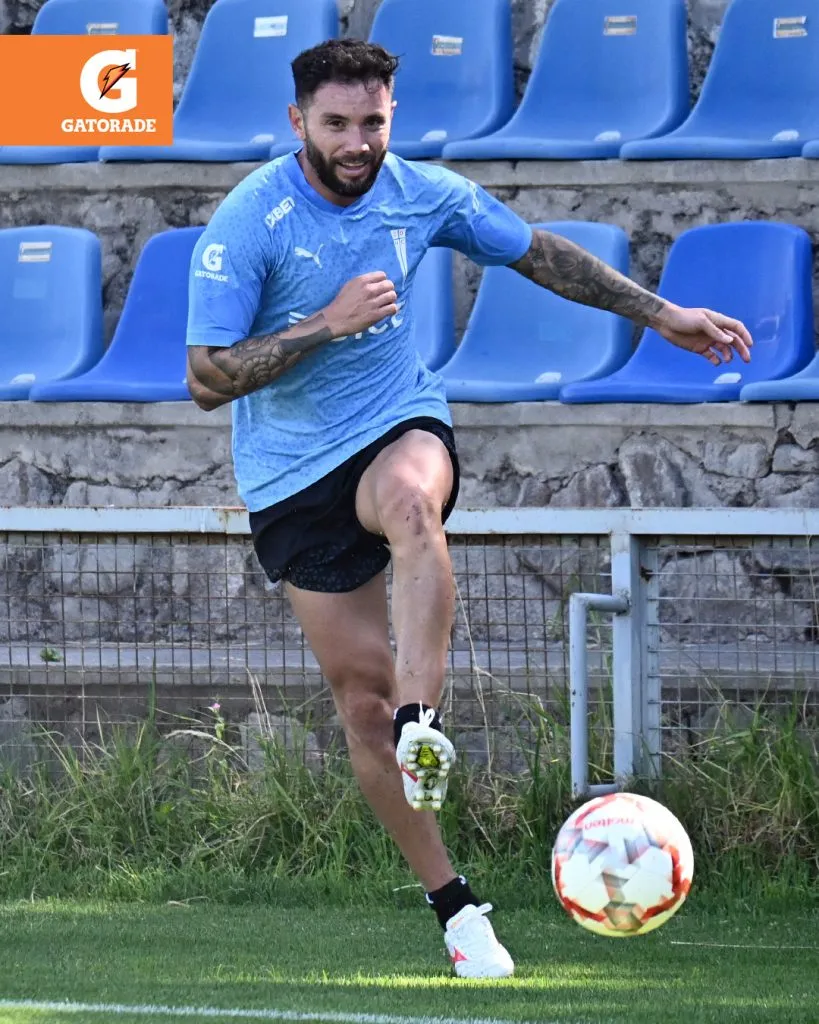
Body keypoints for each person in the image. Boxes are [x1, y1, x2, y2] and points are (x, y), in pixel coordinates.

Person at [185, 39, 753, 979]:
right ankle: (455, 910)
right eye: (337, 123)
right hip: (289, 476)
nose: (359, 141)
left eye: (373, 121)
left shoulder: (421, 191)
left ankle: (424, 721)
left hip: (393, 422)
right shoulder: (253, 220)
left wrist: (661, 314)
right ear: (298, 123)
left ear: (390, 117)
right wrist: (326, 321)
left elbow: (541, 255)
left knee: (413, 505)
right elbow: (207, 379)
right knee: (357, 703)